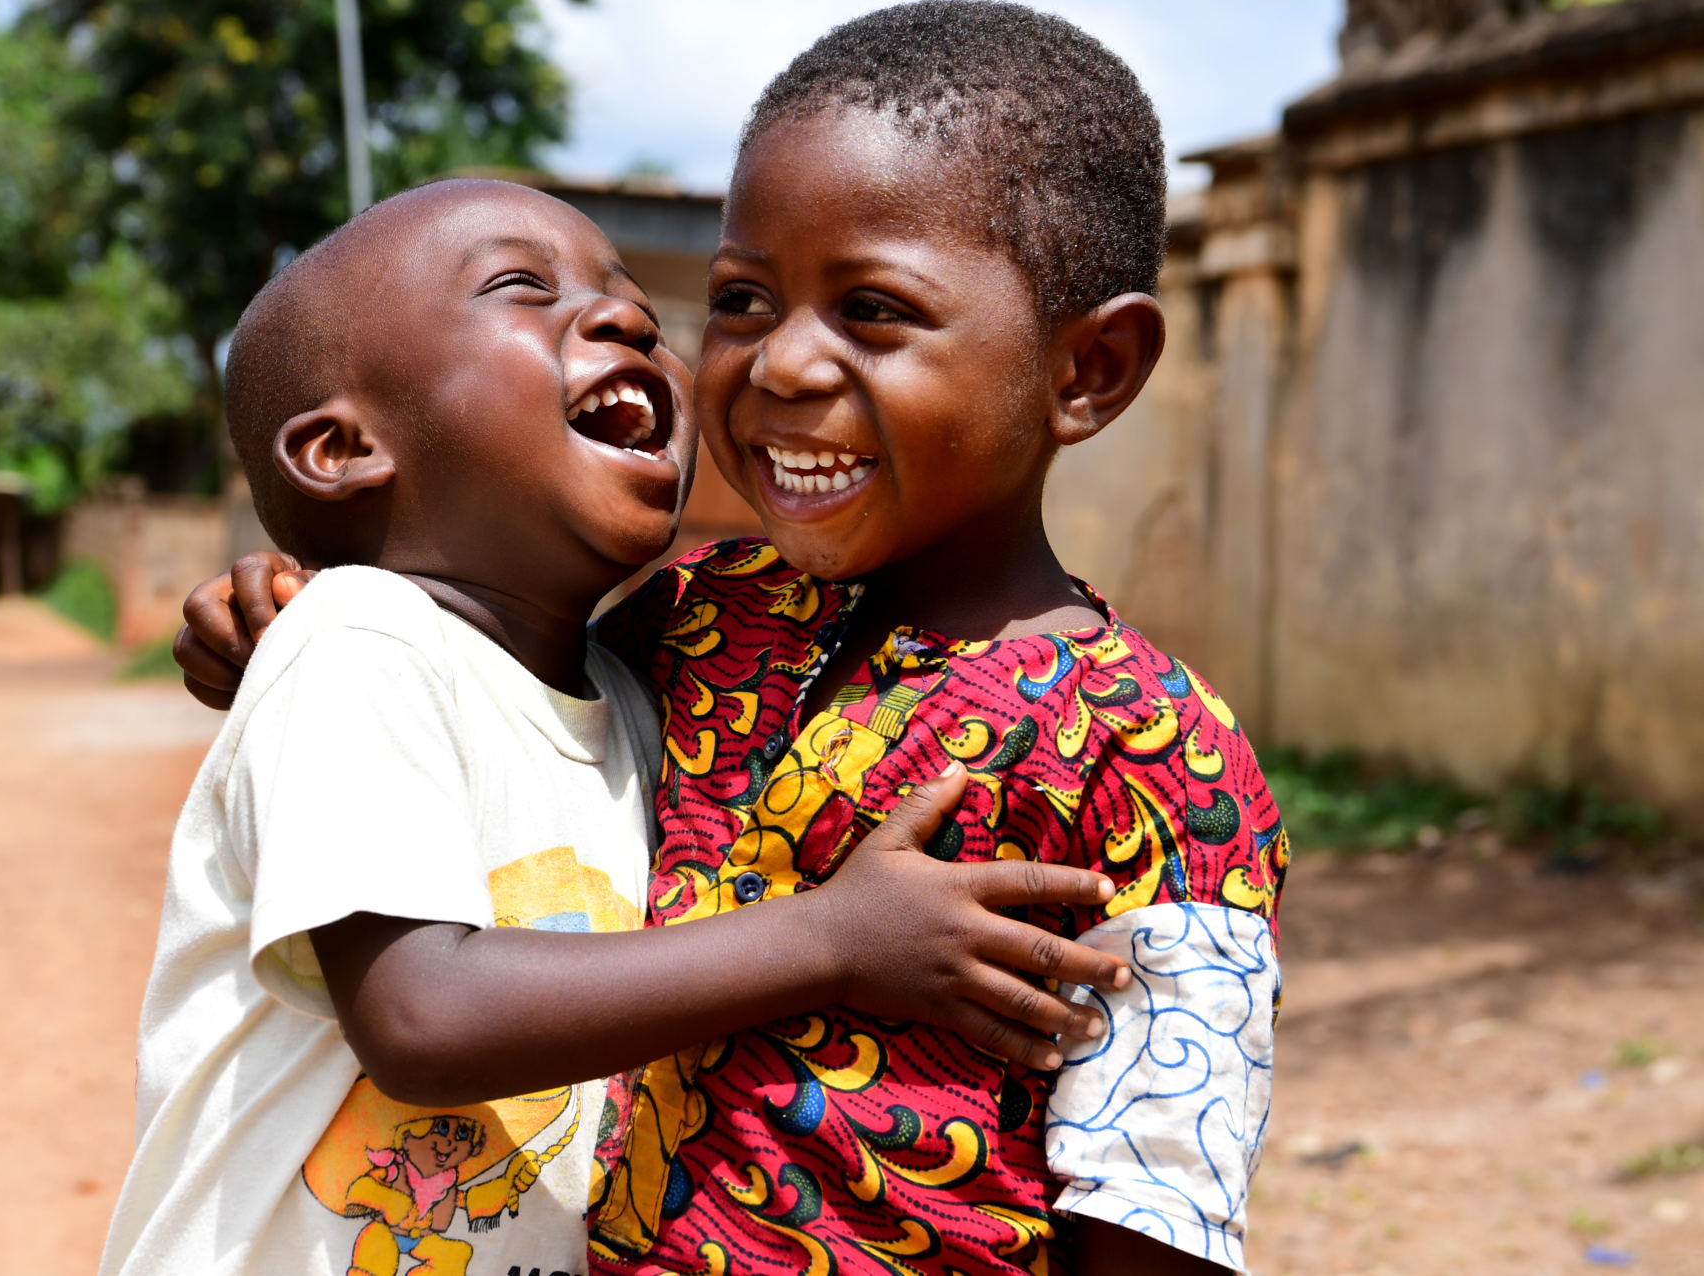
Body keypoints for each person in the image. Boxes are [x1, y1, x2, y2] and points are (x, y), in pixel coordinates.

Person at [183, 0, 1290, 1273]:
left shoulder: (1159, 752)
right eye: (744, 299)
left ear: (1087, 370)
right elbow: (478, 695)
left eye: (873, 309)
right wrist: (294, 604)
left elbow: (1160, 1197)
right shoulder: (698, 623)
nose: (779, 366)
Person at [105, 175, 1137, 1276]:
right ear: (343, 451)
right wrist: (835, 940)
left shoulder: (644, 699)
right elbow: (422, 1018)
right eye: (520, 287)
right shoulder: (359, 638)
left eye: (632, 296)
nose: (631, 318)